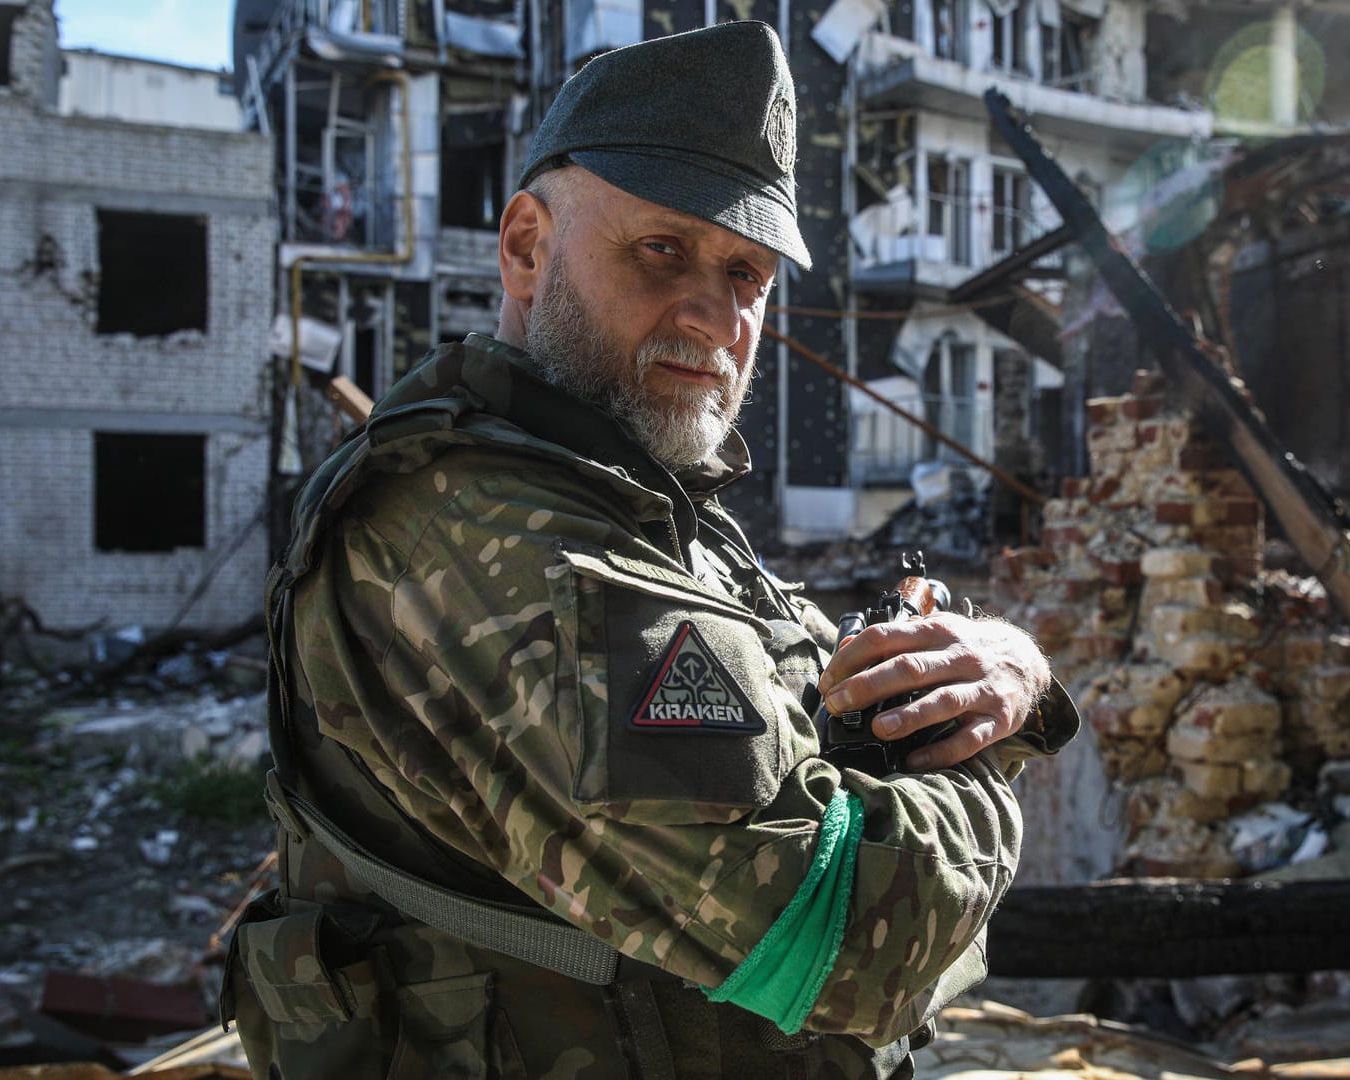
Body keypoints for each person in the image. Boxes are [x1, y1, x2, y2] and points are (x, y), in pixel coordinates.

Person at [228, 22, 1076, 1078]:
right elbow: (851, 944)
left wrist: (978, 665)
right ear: (526, 246)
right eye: (663, 250)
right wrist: (995, 743)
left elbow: (817, 708)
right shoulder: (501, 537)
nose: (715, 316)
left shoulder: (624, 492)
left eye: (749, 273)